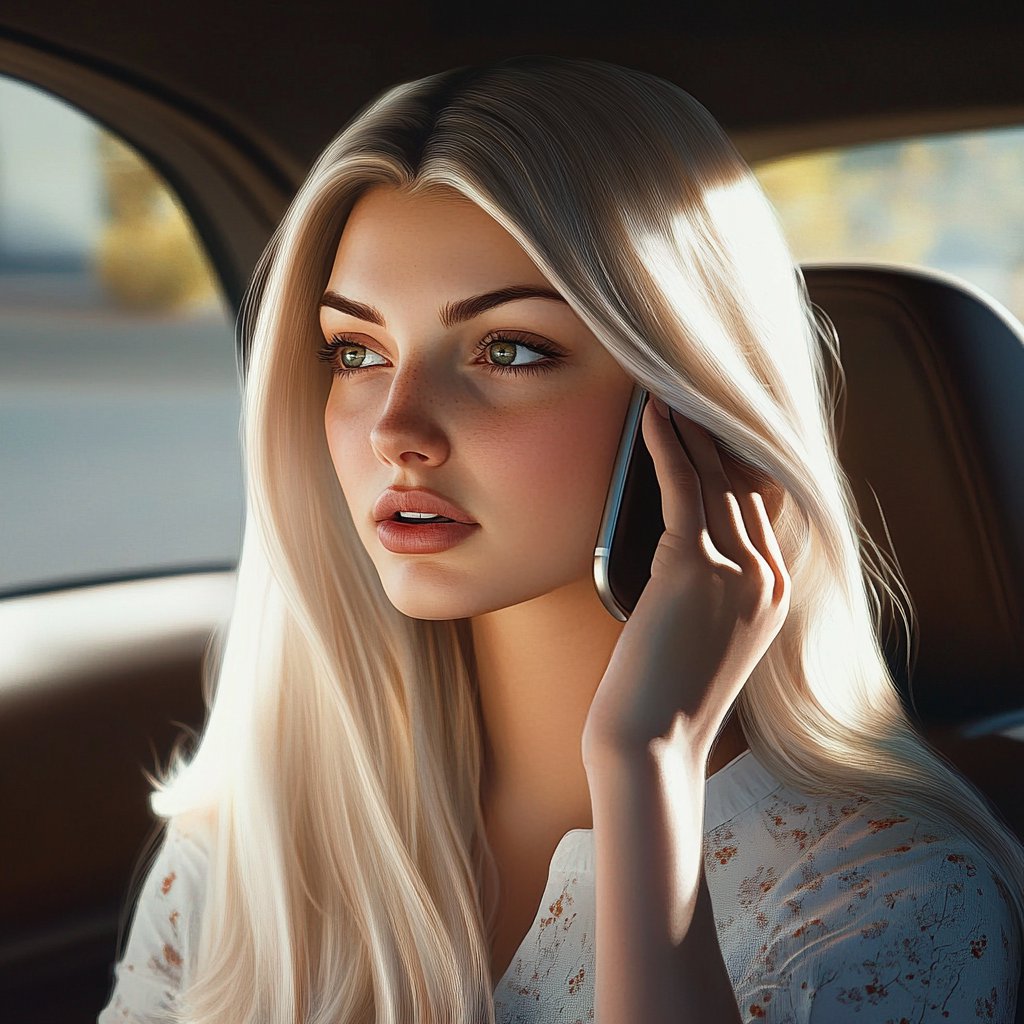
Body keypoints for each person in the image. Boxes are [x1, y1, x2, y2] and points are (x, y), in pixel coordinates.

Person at [98, 55, 1022, 1024]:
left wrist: (645, 767)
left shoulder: (888, 902)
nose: (395, 428)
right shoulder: (257, 833)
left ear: (690, 405)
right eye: (355, 351)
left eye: (509, 349)